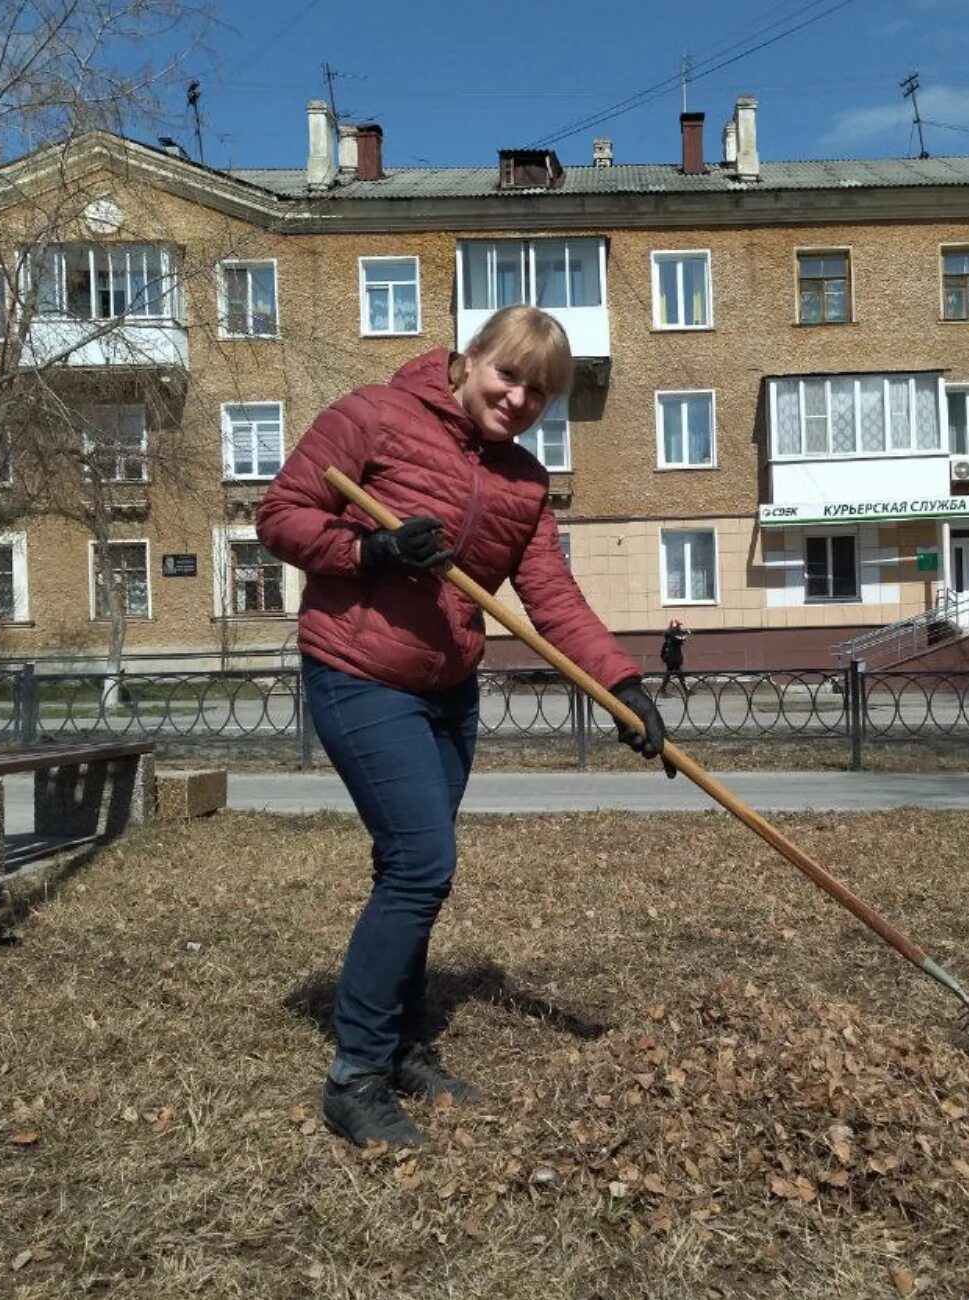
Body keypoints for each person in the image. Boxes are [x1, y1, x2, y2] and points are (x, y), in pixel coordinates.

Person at [257, 305, 672, 1148]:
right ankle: (356, 1076)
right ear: (471, 356)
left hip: (449, 688)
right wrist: (367, 553)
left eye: (539, 392)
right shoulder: (371, 415)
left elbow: (552, 598)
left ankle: (404, 1042)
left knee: (412, 869)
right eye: (507, 374)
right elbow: (282, 516)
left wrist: (623, 685)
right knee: (421, 863)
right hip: (358, 671)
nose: (518, 398)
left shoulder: (523, 483)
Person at [658, 618, 690, 693]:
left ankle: (662, 689)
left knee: (669, 674)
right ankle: (686, 690)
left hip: (671, 658)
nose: (680, 627)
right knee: (679, 673)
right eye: (678, 626)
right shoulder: (673, 634)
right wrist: (687, 633)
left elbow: (680, 639)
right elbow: (680, 638)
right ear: (674, 627)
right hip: (673, 658)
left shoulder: (670, 634)